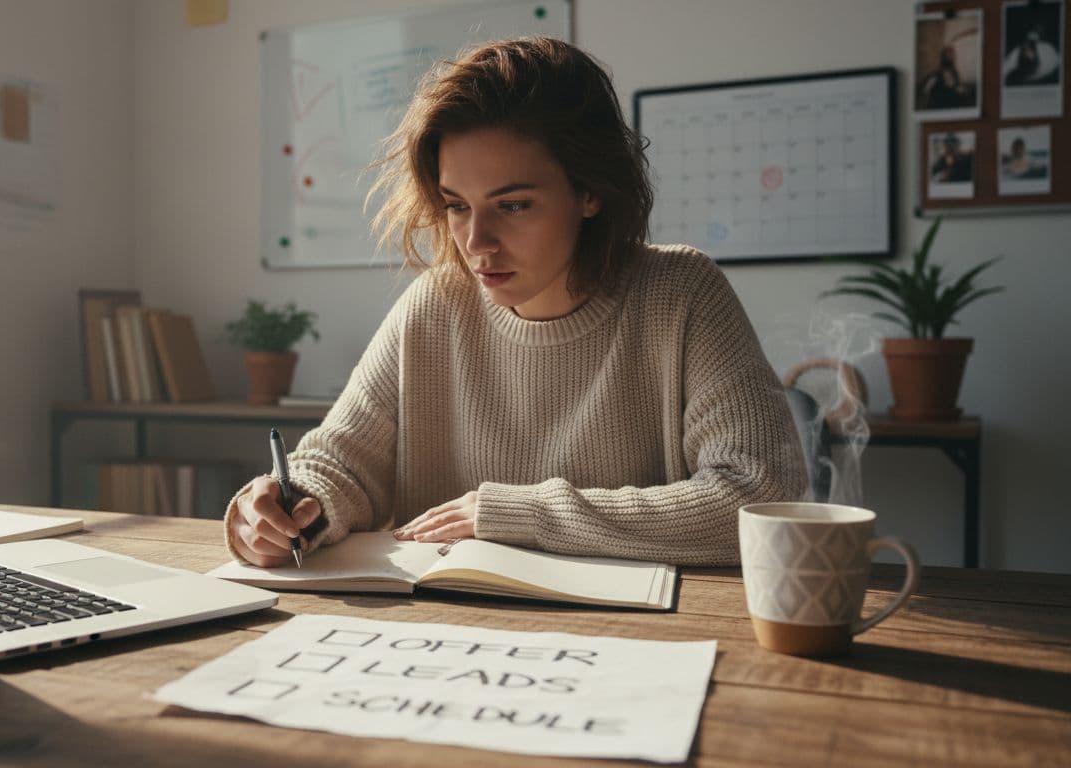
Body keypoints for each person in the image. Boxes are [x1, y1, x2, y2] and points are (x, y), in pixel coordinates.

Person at [225, 37, 805, 568]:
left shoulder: (681, 293)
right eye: (456, 205)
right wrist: (290, 505)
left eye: (515, 205)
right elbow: (342, 463)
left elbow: (761, 494)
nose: (476, 243)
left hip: (630, 645)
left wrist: (520, 514)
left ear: (590, 193)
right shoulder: (433, 307)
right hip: (449, 638)